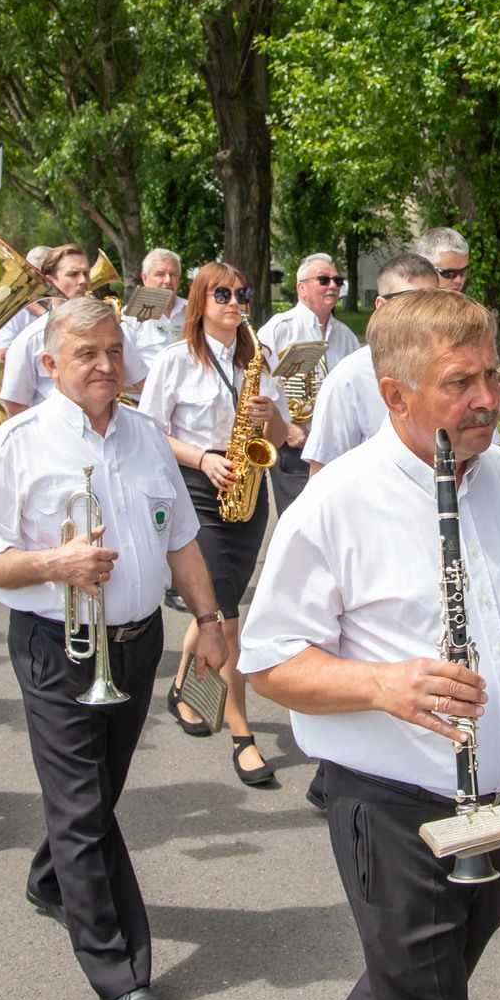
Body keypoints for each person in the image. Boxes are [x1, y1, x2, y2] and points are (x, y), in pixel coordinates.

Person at [241, 288, 500, 1000]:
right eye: (461, 383)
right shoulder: (336, 503)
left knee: (421, 983)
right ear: (394, 394)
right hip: (395, 810)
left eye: (492, 375)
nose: (487, 398)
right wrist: (382, 683)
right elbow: (267, 661)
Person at [0, 297, 228, 1000]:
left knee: (97, 791)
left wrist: (208, 618)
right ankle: (118, 969)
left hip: (138, 645)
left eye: (113, 349)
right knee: (82, 808)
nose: (106, 364)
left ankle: (52, 879)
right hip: (58, 647)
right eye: (86, 353)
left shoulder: (145, 436)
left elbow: (181, 540)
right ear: (49, 364)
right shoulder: (17, 443)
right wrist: (56, 561)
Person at [139, 262, 289, 785]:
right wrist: (203, 459)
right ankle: (243, 735)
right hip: (198, 490)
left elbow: (285, 430)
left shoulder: (258, 361)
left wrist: (271, 415)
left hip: (247, 491)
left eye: (241, 293)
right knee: (227, 619)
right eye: (221, 293)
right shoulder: (174, 361)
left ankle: (183, 686)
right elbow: (151, 433)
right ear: (200, 301)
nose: (233, 301)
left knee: (215, 602)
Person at [299, 255, 440, 474]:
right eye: (409, 300)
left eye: (434, 300)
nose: (424, 313)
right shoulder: (349, 379)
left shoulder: (449, 368)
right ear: (381, 306)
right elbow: (322, 476)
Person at [255, 252, 360, 512]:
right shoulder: (279, 328)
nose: (334, 286)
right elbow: (261, 386)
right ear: (301, 288)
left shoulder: (346, 336)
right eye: (324, 280)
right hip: (295, 445)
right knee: (300, 521)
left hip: (337, 447)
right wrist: (288, 427)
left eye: (338, 280)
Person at [0, 246, 151, 416]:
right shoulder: (29, 340)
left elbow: (144, 383)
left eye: (86, 273)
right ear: (50, 281)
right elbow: (15, 406)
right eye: (73, 274)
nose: (83, 281)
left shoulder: (110, 331)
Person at [0, 246, 55, 366]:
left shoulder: (74, 299)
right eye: (38, 272)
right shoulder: (14, 306)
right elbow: (2, 357)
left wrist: (43, 312)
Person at [129, 248, 187, 367]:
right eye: (160, 274)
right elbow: (126, 362)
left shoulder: (193, 310)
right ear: (145, 278)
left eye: (173, 274)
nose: (168, 280)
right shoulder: (129, 316)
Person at [414, 226, 470, 292]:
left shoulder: (463, 301)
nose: (458, 280)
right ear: (423, 269)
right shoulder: (405, 301)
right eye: (449, 273)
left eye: (463, 272)